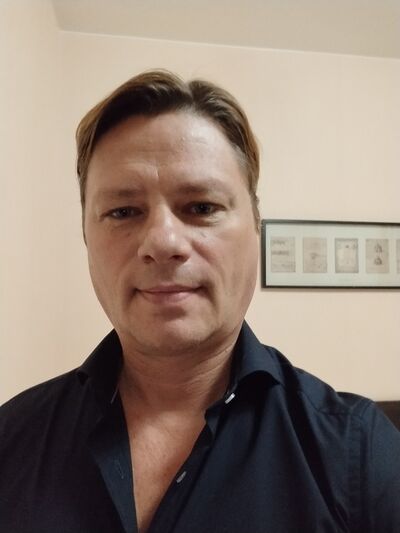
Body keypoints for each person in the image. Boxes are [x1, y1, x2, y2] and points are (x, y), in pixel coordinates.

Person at [0, 70, 399, 533]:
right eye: (123, 212)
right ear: (86, 236)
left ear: (255, 227)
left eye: (202, 207)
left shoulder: (360, 453)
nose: (163, 242)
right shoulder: (11, 438)